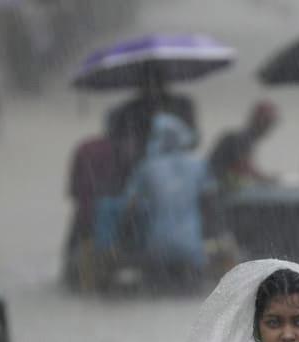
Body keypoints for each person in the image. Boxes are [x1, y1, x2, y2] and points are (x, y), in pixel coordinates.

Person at [121, 113, 211, 288]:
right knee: (190, 292)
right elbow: (209, 200)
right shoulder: (198, 165)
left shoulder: (147, 167)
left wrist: (126, 236)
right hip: (191, 244)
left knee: (158, 290)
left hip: (158, 245)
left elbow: (131, 204)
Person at [63, 109, 125, 287]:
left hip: (83, 210)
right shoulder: (120, 151)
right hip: (107, 216)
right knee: (105, 258)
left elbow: (72, 188)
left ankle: (74, 282)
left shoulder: (85, 146)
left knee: (75, 252)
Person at [110, 68, 199, 185]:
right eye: (148, 82)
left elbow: (193, 139)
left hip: (177, 171)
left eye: (156, 82)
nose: (152, 88)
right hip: (141, 172)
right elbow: (119, 145)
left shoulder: (182, 105)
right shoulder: (128, 112)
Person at [208, 101, 279, 191]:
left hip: (223, 186)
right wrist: (267, 179)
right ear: (255, 121)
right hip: (217, 189)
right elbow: (245, 167)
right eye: (266, 122)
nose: (269, 128)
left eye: (271, 124)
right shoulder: (241, 138)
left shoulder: (245, 138)